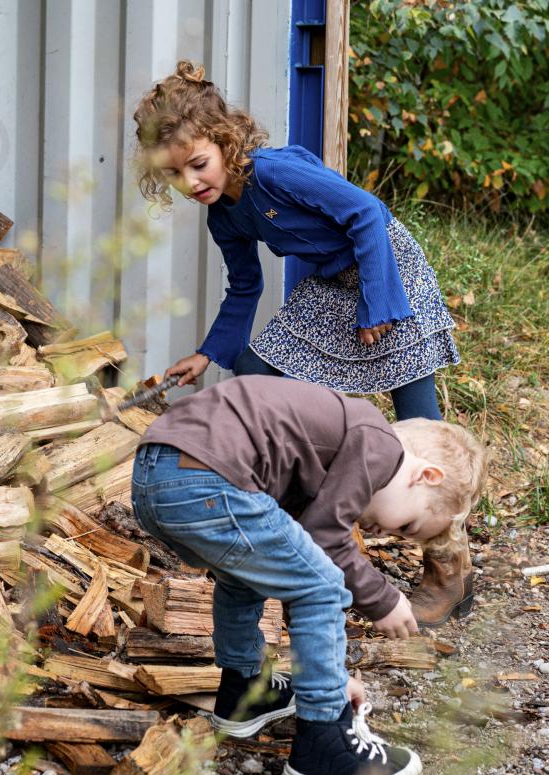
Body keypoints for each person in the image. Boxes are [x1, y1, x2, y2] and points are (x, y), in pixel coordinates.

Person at [133, 60, 472, 628]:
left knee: (420, 419)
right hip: (334, 282)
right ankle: (262, 519)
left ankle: (449, 569)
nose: (192, 183)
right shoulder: (225, 214)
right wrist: (209, 353)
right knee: (255, 365)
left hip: (386, 265)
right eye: (175, 176)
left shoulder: (274, 174)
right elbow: (245, 286)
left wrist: (379, 302)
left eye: (199, 165)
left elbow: (367, 212)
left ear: (225, 141)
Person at [131, 376, 487, 775]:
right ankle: (325, 744)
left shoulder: (327, 452)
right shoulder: (380, 445)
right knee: (323, 587)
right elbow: (325, 540)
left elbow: (299, 548)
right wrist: (383, 599)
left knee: (244, 577)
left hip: (157, 473)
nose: (382, 531)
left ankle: (244, 691)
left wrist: (331, 676)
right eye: (406, 526)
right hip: (207, 476)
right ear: (424, 475)